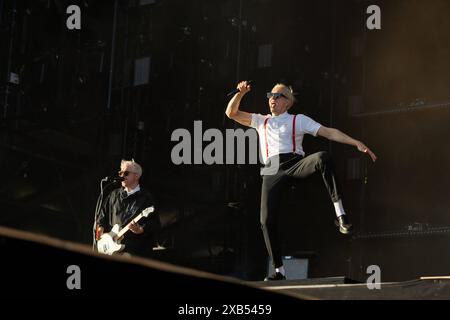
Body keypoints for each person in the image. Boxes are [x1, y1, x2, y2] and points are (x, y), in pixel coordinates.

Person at [225, 81, 377, 281]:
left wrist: (355, 142)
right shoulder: (261, 121)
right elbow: (231, 113)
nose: (272, 99)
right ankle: (279, 271)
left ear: (287, 103)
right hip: (271, 172)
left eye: (278, 96)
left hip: (295, 164)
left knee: (322, 157)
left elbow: (328, 132)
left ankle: (341, 215)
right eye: (270, 95)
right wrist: (240, 93)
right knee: (265, 221)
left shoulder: (298, 120)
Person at [96, 159, 160, 257]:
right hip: (111, 248)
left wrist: (141, 229)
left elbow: (155, 224)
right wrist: (100, 227)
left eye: (126, 173)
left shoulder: (146, 198)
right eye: (120, 172)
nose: (121, 175)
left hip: (135, 250)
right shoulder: (114, 195)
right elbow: (102, 214)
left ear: (137, 176)